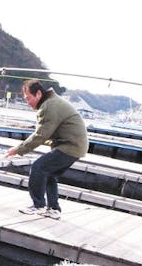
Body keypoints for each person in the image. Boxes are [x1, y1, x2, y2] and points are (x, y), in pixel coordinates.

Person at [6, 80, 89, 219]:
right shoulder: (51, 102)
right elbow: (46, 133)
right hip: (75, 146)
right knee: (49, 174)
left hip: (71, 146)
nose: (27, 102)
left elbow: (40, 135)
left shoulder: (49, 106)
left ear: (38, 94)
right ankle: (54, 209)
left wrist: (18, 149)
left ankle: (38, 206)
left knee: (38, 167)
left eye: (28, 98)